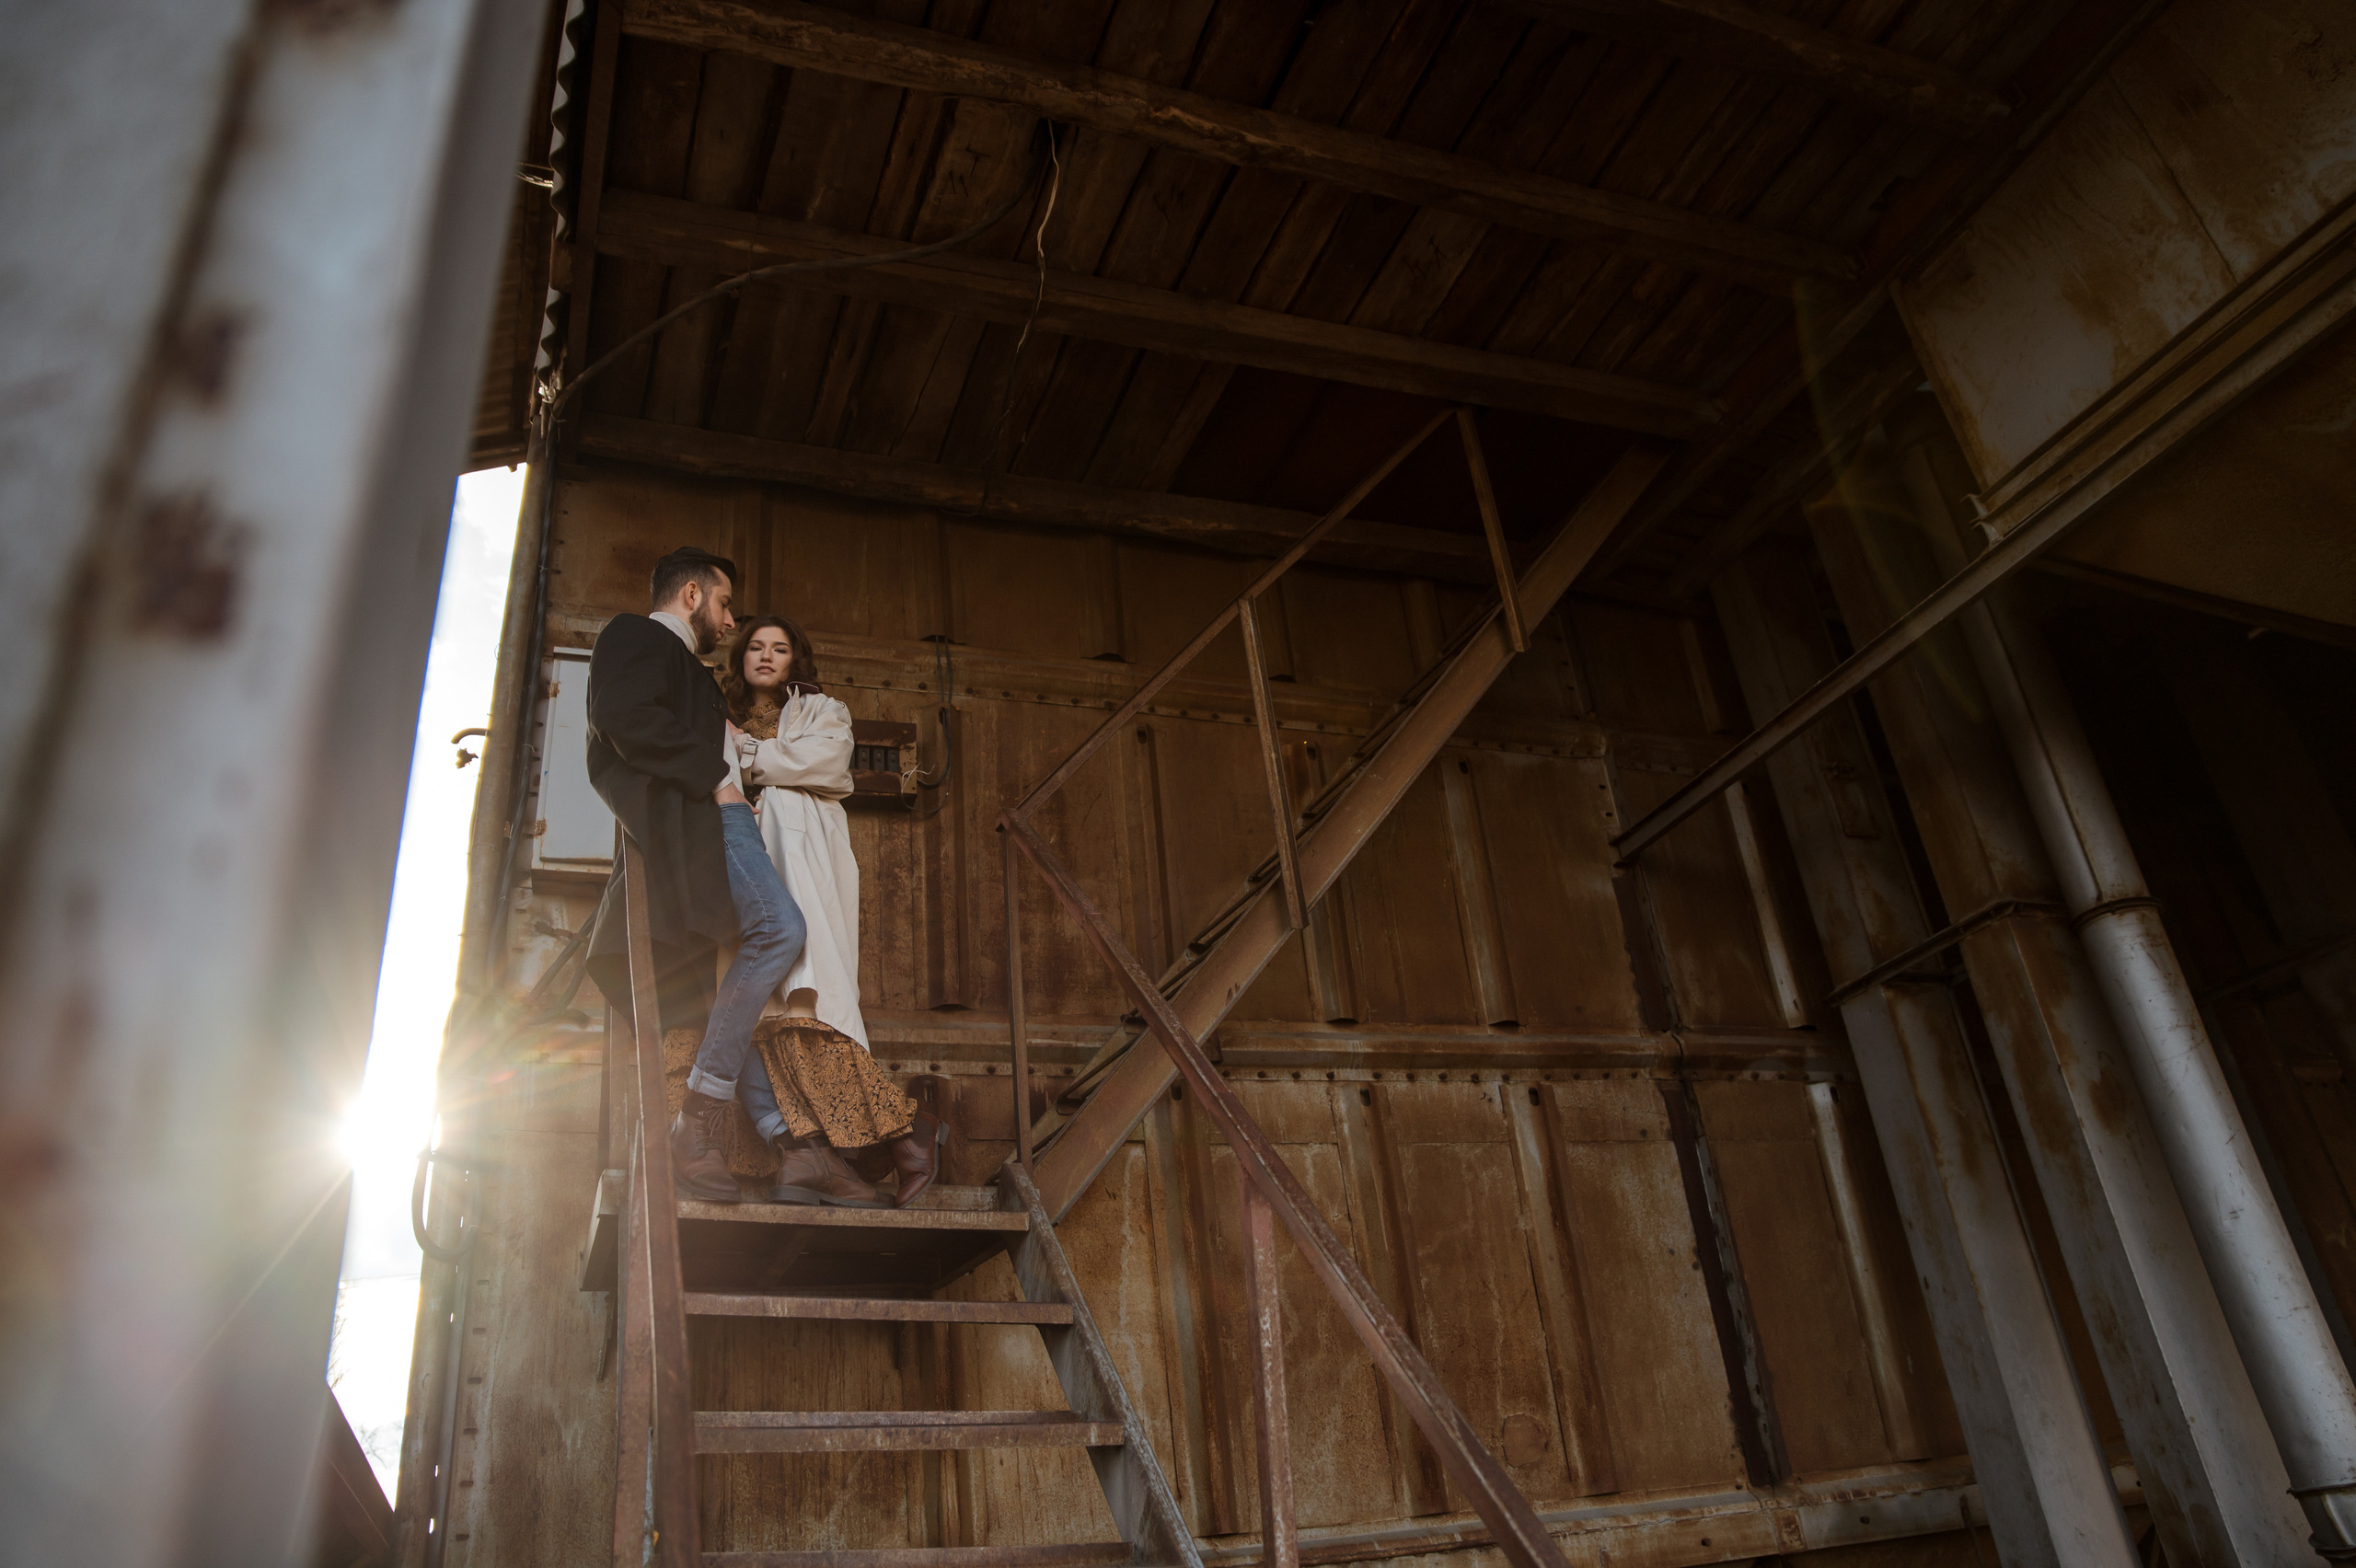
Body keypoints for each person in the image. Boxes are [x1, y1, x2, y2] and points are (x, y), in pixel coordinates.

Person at [583, 547, 874, 1207]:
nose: (728, 618)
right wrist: (718, 781)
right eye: (722, 603)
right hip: (703, 822)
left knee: (743, 963)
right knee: (779, 930)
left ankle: (785, 1142)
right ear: (691, 594)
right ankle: (702, 1117)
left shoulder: (706, 681)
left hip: (710, 827)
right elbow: (624, 721)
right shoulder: (633, 635)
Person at [722, 616, 946, 1208]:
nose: (766, 657)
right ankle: (827, 1150)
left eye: (780, 648)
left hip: (801, 857)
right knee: (754, 1006)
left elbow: (824, 766)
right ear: (740, 656)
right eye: (755, 647)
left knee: (807, 997)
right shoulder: (718, 710)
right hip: (741, 866)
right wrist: (764, 757)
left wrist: (744, 753)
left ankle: (900, 1135)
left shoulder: (824, 709)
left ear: (797, 659)